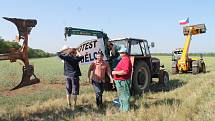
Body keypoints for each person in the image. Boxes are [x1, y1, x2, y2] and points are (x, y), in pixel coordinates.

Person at [112, 47, 132, 112]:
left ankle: (125, 110)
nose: (119, 54)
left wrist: (114, 72)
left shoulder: (126, 60)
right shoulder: (123, 59)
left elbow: (125, 72)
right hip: (120, 81)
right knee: (121, 95)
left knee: (125, 95)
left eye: (120, 53)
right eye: (120, 53)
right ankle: (122, 108)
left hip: (123, 81)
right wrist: (116, 69)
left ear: (124, 53)